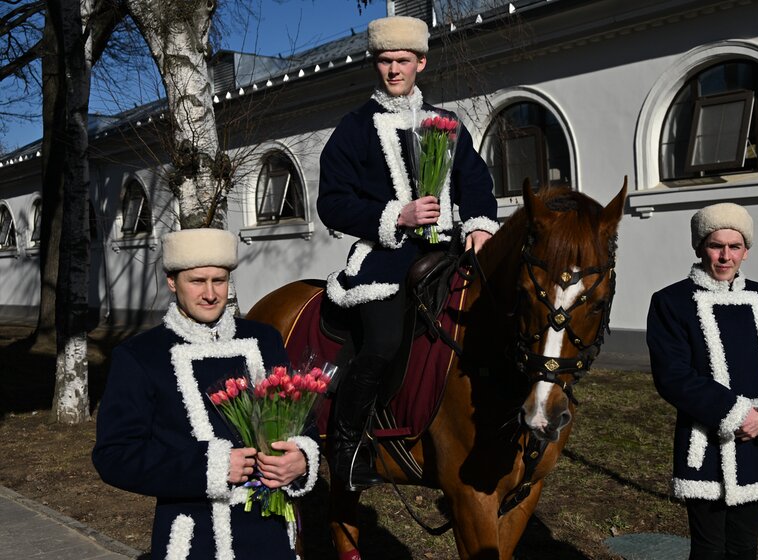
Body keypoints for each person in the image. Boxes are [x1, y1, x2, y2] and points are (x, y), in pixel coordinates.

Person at [316, 15, 498, 490]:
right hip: (386, 259)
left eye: (402, 60)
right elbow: (332, 202)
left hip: (452, 253)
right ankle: (347, 444)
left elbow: (475, 182)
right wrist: (397, 215)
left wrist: (479, 226)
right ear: (375, 64)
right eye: (384, 61)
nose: (393, 69)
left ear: (421, 62)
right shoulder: (353, 129)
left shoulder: (448, 123)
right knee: (382, 342)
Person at [92, 228, 319, 560]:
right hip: (195, 540)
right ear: (172, 282)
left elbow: (304, 422)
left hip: (269, 536)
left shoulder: (265, 339)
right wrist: (209, 467)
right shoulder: (141, 355)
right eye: (197, 281)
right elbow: (114, 456)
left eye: (220, 280)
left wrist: (302, 457)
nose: (211, 293)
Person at [646, 203, 758, 560]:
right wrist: (736, 414)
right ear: (700, 246)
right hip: (705, 444)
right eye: (717, 245)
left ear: (746, 251)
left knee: (745, 546)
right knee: (708, 548)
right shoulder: (671, 302)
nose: (725, 256)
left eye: (735, 247)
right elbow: (673, 375)